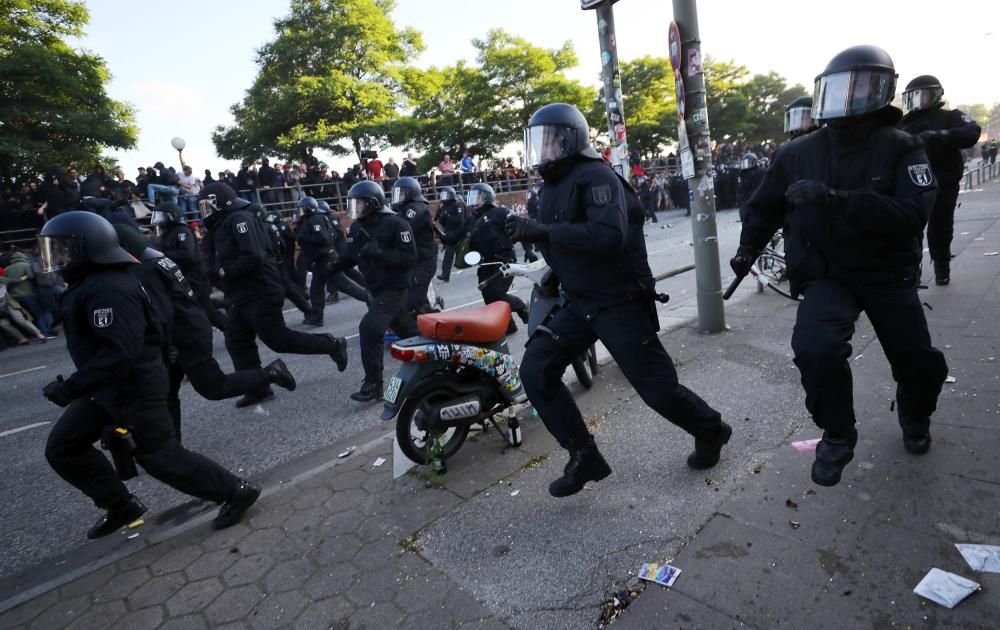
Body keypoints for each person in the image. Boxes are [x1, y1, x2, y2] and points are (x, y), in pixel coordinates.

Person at [732, 45, 948, 487]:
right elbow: (762, 207)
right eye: (838, 89)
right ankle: (837, 431)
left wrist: (840, 202)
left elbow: (913, 214)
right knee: (815, 347)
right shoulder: (798, 153)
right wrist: (746, 249)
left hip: (888, 273)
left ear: (884, 89)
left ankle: (914, 410)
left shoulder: (903, 147)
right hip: (828, 272)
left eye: (861, 87)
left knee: (918, 363)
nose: (847, 99)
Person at [505, 103, 732, 498]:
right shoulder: (552, 186)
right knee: (536, 369)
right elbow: (566, 240)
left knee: (658, 391)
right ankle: (584, 455)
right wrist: (554, 267)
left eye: (550, 141)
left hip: (618, 302)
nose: (543, 150)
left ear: (571, 138)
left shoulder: (597, 177)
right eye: (537, 142)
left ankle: (711, 429)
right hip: (580, 302)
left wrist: (542, 233)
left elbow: (606, 236)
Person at [37, 211, 260, 538]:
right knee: (63, 447)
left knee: (160, 456)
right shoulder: (91, 284)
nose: (60, 258)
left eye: (65, 249)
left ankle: (235, 490)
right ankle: (120, 505)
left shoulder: (108, 289)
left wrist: (71, 388)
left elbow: (120, 354)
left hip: (134, 387)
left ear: (90, 248)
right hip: (105, 388)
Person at [113, 224, 296, 439]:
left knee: (213, 386)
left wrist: (166, 342)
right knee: (168, 390)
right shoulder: (155, 260)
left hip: (185, 335)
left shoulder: (143, 270)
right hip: (186, 328)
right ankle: (171, 442)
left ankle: (270, 373)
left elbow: (162, 311)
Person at [198, 183, 348, 407]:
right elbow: (210, 261)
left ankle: (332, 344)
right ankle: (257, 389)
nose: (205, 212)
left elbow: (253, 256)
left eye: (207, 206)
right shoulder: (216, 227)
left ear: (221, 202)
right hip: (240, 293)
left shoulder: (241, 219)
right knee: (236, 340)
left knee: (278, 339)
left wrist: (223, 271)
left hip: (261, 290)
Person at [329, 181, 418, 402]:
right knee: (407, 331)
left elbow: (409, 258)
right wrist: (333, 267)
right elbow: (351, 254)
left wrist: (380, 253)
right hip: (376, 288)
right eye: (353, 204)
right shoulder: (358, 227)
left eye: (360, 204)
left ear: (373, 203)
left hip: (394, 287)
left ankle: (373, 384)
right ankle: (432, 360)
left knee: (369, 328)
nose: (356, 209)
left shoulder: (397, 224)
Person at [897, 75, 982, 285]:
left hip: (943, 181)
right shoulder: (902, 123)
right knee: (909, 228)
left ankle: (941, 265)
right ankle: (911, 270)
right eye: (913, 97)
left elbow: (971, 131)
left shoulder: (949, 117)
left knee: (940, 227)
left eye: (922, 96)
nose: (917, 101)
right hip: (912, 184)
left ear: (934, 95)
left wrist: (939, 135)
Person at [151, 202, 227, 331]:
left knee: (203, 308)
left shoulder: (182, 230)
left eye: (161, 216)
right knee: (200, 304)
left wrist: (163, 255)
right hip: (185, 277)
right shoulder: (167, 233)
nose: (159, 219)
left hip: (195, 277)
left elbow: (187, 254)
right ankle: (226, 307)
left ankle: (230, 328)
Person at [465, 183, 529, 334]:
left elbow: (519, 226)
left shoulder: (499, 212)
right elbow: (457, 238)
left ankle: (521, 305)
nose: (475, 201)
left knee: (497, 294)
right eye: (473, 198)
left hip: (504, 261)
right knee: (488, 297)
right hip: (485, 263)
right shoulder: (472, 220)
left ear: (487, 198)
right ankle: (509, 326)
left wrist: (528, 250)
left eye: (478, 197)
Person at [391, 177, 438, 314]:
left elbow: (401, 226)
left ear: (410, 193)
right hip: (415, 262)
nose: (398, 197)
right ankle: (430, 319)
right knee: (419, 302)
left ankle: (415, 330)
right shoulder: (406, 209)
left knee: (410, 303)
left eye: (401, 194)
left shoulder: (415, 208)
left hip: (423, 263)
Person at [294, 196, 337, 326]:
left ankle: (369, 297)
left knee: (346, 285)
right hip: (321, 259)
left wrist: (305, 238)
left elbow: (323, 239)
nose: (300, 212)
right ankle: (317, 317)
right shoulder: (312, 220)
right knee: (316, 289)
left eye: (302, 209)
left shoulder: (315, 219)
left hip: (326, 258)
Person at [434, 186, 468, 282]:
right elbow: (441, 220)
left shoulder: (457, 205)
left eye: (446, 195)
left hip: (458, 232)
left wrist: (448, 216)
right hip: (449, 233)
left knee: (464, 251)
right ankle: (445, 275)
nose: (444, 197)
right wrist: (442, 218)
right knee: (448, 255)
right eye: (443, 195)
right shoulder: (443, 206)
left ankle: (480, 261)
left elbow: (460, 220)